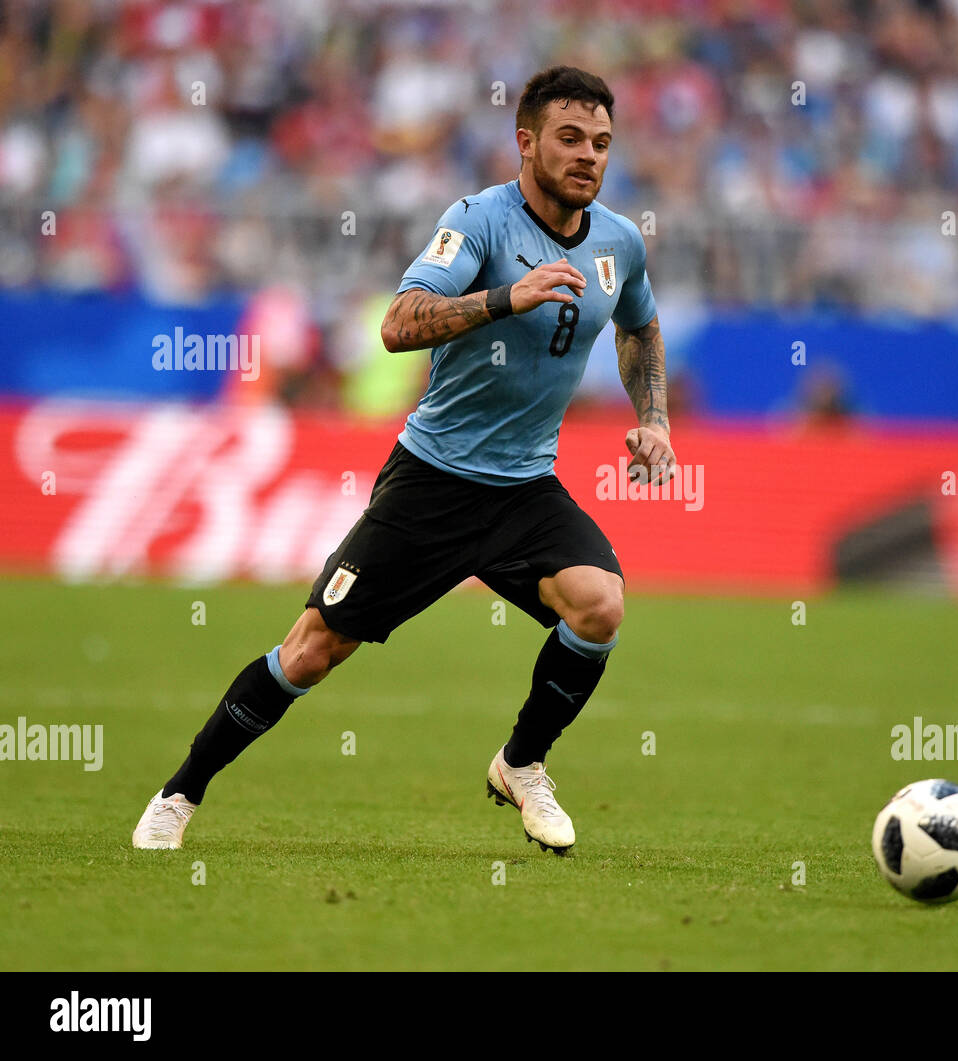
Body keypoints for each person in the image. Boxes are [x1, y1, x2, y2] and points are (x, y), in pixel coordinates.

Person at [132, 66, 674, 856]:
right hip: (434, 481)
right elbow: (397, 323)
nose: (588, 156)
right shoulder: (478, 223)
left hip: (524, 489)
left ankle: (521, 762)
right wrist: (502, 299)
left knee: (600, 607)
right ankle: (181, 790)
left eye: (600, 143)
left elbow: (640, 326)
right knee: (312, 651)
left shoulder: (618, 241)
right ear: (525, 142)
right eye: (568, 139)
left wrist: (654, 418)